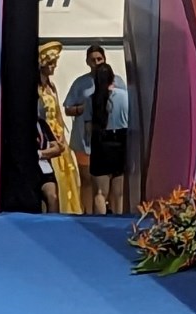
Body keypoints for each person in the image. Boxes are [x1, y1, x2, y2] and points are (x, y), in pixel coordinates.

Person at [63, 45, 126, 215]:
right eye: (93, 59)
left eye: (99, 59)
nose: (96, 62)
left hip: (101, 139)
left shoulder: (118, 83)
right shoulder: (81, 83)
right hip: (91, 140)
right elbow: (68, 108)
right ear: (87, 61)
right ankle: (89, 212)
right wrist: (81, 109)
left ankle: (105, 213)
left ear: (104, 59)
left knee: (105, 186)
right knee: (89, 180)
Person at [37, 42, 81, 214]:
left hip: (58, 137)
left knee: (66, 175)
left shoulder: (52, 85)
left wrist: (62, 132)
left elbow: (58, 113)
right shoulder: (37, 88)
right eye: (52, 63)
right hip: (45, 137)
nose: (54, 66)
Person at [87, 64, 128, 215]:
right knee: (118, 193)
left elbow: (88, 128)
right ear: (112, 77)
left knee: (100, 192)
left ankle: (100, 220)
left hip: (100, 141)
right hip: (120, 140)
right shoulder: (124, 95)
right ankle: (117, 222)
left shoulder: (91, 99)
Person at [36, 115, 63, 213]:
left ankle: (54, 224)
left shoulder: (41, 123)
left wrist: (40, 153)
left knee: (53, 196)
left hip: (44, 166)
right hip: (26, 170)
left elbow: (57, 149)